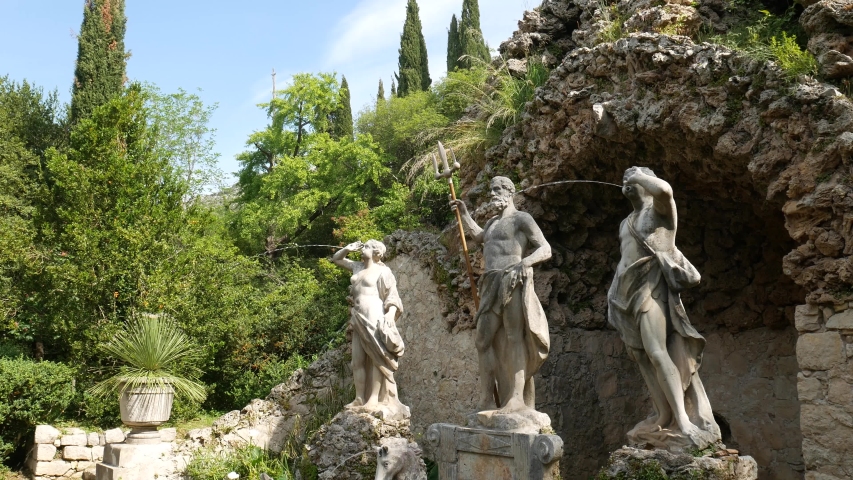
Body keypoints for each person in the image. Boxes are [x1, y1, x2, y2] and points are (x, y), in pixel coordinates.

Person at [608, 166, 720, 450]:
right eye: (625, 176)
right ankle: (664, 414)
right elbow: (623, 259)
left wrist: (638, 174)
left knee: (658, 352)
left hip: (650, 289)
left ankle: (683, 420)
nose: (627, 179)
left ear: (646, 181)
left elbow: (666, 191)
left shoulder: (659, 212)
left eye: (632, 176)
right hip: (623, 295)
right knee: (642, 357)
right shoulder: (625, 222)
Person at [451, 176, 552, 414]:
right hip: (490, 282)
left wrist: (524, 264)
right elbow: (479, 238)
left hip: (512, 280)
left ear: (509, 192)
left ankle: (516, 398)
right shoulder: (492, 223)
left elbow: (545, 248)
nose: (493, 194)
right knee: (482, 340)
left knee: (514, 336)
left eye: (498, 189)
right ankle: (487, 400)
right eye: (492, 190)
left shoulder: (521, 219)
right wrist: (464, 213)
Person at [332, 239, 409, 419]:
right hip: (357, 317)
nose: (362, 249)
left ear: (376, 252)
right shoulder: (358, 267)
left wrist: (390, 316)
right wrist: (347, 248)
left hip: (374, 316)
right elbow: (336, 259)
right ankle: (359, 397)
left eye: (366, 246)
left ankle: (374, 398)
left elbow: (392, 297)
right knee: (357, 360)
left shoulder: (383, 271)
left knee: (377, 358)